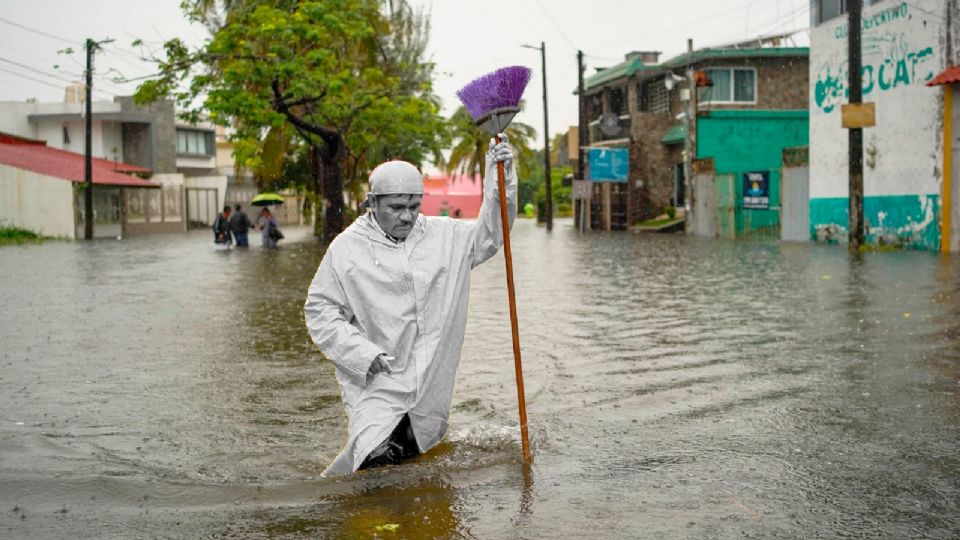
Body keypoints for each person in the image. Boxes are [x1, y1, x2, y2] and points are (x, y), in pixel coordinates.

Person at [304, 135, 517, 476]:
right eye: (396, 208)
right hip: (377, 380)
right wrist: (360, 353)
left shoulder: (445, 237)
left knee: (414, 464)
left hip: (431, 382)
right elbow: (320, 309)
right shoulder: (347, 249)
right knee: (373, 459)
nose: (407, 216)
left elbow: (492, 235)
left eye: (414, 206)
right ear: (371, 203)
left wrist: (500, 177)